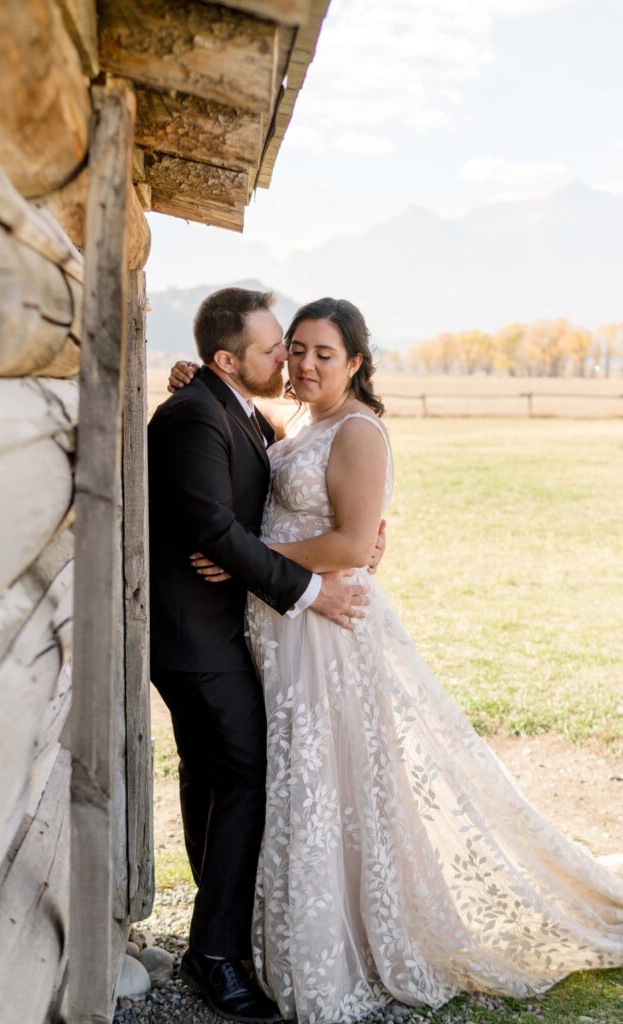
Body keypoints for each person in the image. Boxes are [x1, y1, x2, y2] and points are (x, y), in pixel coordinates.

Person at [170, 296, 623, 1024]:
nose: (305, 362)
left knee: (328, 776)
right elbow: (245, 441)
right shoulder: (291, 422)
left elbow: (351, 546)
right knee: (291, 779)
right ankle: (270, 928)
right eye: (296, 348)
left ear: (355, 362)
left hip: (325, 630)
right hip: (282, 623)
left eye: (325, 353)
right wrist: (195, 377)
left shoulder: (357, 431)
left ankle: (345, 932)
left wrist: (250, 559)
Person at [148, 287, 384, 1024]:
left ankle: (225, 931)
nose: (290, 358)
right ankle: (215, 952)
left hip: (251, 628)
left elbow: (333, 510)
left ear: (353, 361)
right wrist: (309, 587)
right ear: (228, 359)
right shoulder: (199, 411)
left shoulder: (257, 410)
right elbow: (216, 530)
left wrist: (354, 542)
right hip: (202, 635)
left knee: (225, 777)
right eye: (277, 347)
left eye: (311, 349)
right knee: (244, 775)